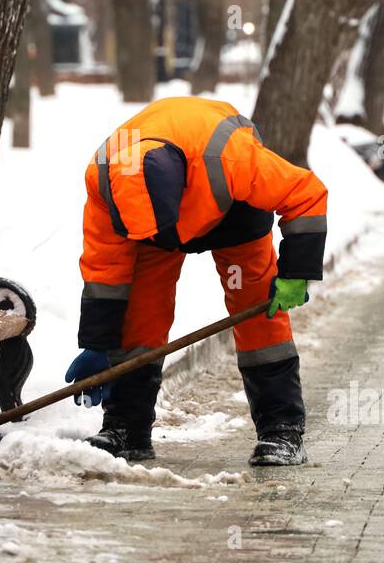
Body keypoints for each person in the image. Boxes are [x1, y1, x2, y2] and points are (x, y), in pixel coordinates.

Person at [66, 97, 327, 466]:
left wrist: (297, 273)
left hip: (233, 214)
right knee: (140, 316)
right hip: (153, 232)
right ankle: (127, 428)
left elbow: (306, 193)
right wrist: (97, 346)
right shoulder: (104, 179)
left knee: (258, 323)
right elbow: (105, 268)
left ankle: (282, 431)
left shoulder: (231, 158)